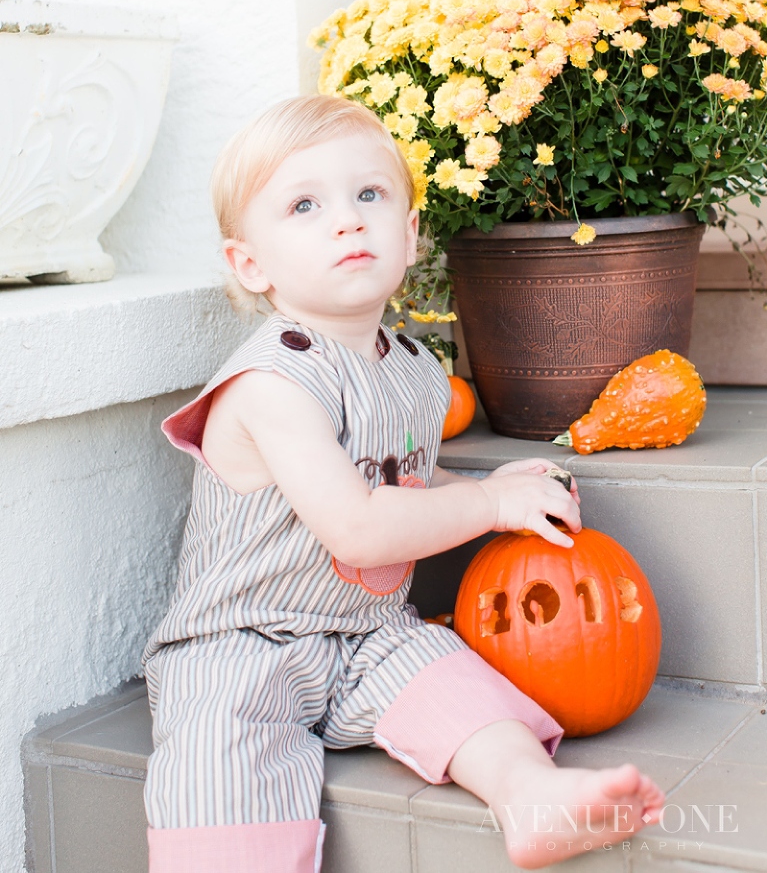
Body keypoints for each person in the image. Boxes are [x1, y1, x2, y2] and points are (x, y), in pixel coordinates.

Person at [142, 94, 664, 873]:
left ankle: (531, 796)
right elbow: (355, 524)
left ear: (411, 232)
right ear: (250, 263)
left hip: (369, 635)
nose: (347, 220)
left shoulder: (416, 369)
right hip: (243, 642)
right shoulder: (270, 384)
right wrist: (485, 502)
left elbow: (403, 476)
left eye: (370, 195)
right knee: (221, 750)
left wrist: (486, 493)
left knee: (456, 685)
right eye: (304, 205)